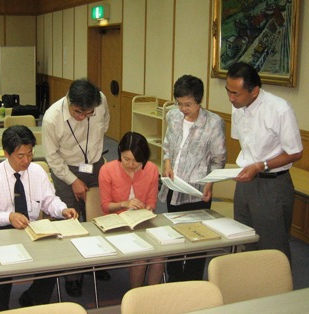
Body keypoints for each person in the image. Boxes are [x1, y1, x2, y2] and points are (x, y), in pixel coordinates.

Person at [0, 125, 79, 311]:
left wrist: (63, 210)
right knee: (2, 267)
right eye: (20, 156)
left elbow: (49, 201)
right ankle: (2, 309)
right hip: (0, 230)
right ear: (6, 153)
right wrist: (9, 216)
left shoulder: (37, 171)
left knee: (54, 261)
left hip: (31, 228)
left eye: (30, 154)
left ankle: (33, 300)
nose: (27, 160)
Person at [226, 62, 303, 261]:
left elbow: (295, 152)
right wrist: (250, 167)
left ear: (254, 91)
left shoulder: (279, 109)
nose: (231, 98)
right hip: (246, 182)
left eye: (236, 93)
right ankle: (251, 289)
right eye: (229, 91)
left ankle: (278, 291)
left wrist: (262, 165)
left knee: (272, 248)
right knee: (244, 241)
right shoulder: (238, 107)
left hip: (272, 185)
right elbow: (245, 146)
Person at [42, 78, 110, 297]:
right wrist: (73, 180)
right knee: (70, 221)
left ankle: (96, 263)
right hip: (65, 169)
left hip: (94, 165)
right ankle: (72, 275)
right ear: (68, 100)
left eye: (88, 113)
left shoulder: (101, 102)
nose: (82, 117)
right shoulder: (52, 118)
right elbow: (52, 158)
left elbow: (105, 123)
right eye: (78, 112)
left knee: (99, 218)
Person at [158, 75, 226, 282]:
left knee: (198, 238)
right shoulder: (173, 116)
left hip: (197, 189)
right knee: (176, 235)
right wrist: (167, 163)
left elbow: (218, 159)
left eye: (188, 104)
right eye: (179, 103)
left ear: (199, 100)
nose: (183, 109)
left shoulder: (213, 123)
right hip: (174, 187)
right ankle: (174, 278)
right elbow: (168, 143)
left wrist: (210, 184)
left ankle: (194, 281)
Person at [99, 131, 164, 287]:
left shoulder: (152, 169)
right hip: (116, 223)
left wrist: (148, 208)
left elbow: (152, 202)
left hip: (141, 221)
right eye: (126, 159)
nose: (130, 164)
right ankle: (136, 296)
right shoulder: (107, 170)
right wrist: (124, 204)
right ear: (119, 153)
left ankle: (153, 295)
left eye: (136, 161)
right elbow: (105, 206)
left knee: (160, 256)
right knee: (140, 259)